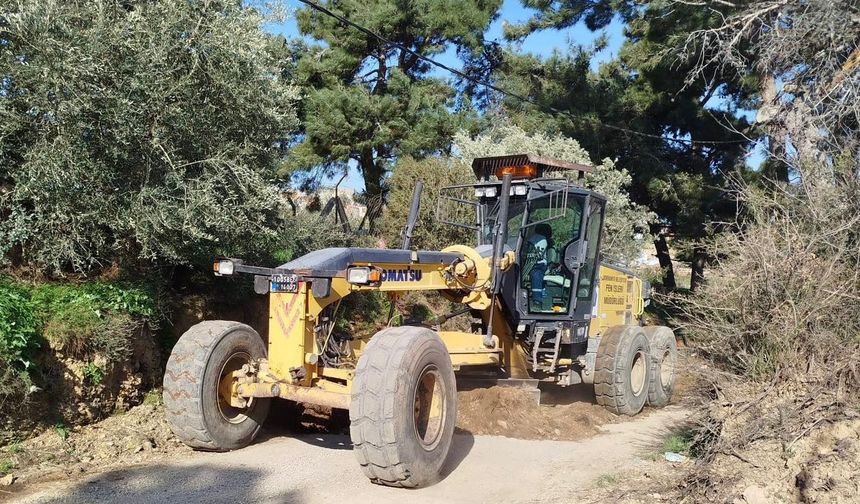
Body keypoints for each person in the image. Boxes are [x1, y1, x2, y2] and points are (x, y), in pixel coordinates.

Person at [524, 223, 553, 309]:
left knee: (536, 274)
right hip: (532, 263)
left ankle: (537, 300)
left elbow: (537, 253)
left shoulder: (540, 240)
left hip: (539, 265)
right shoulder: (536, 238)